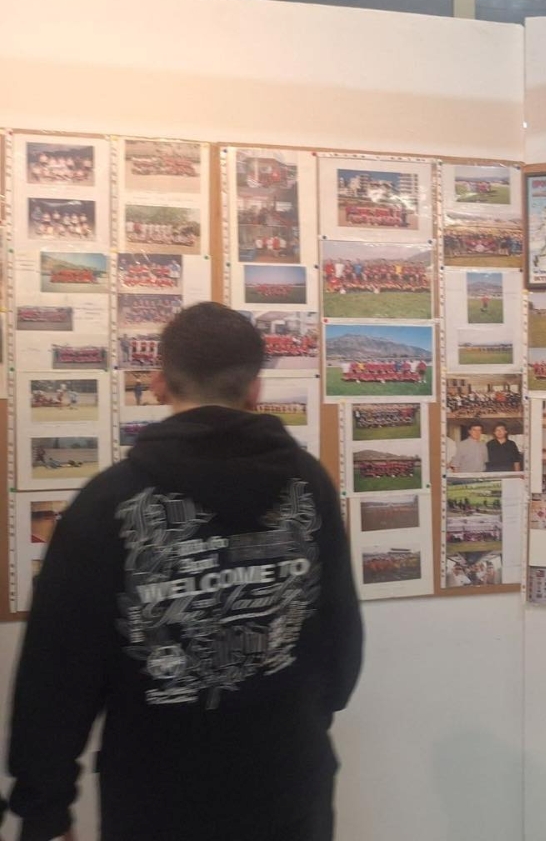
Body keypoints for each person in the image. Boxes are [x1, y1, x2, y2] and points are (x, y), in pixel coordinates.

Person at [7, 302, 363, 841]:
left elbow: (57, 673)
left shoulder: (107, 502)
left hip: (156, 799)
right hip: (288, 785)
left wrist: (44, 811)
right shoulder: (308, 484)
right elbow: (339, 639)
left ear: (158, 384)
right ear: (254, 389)